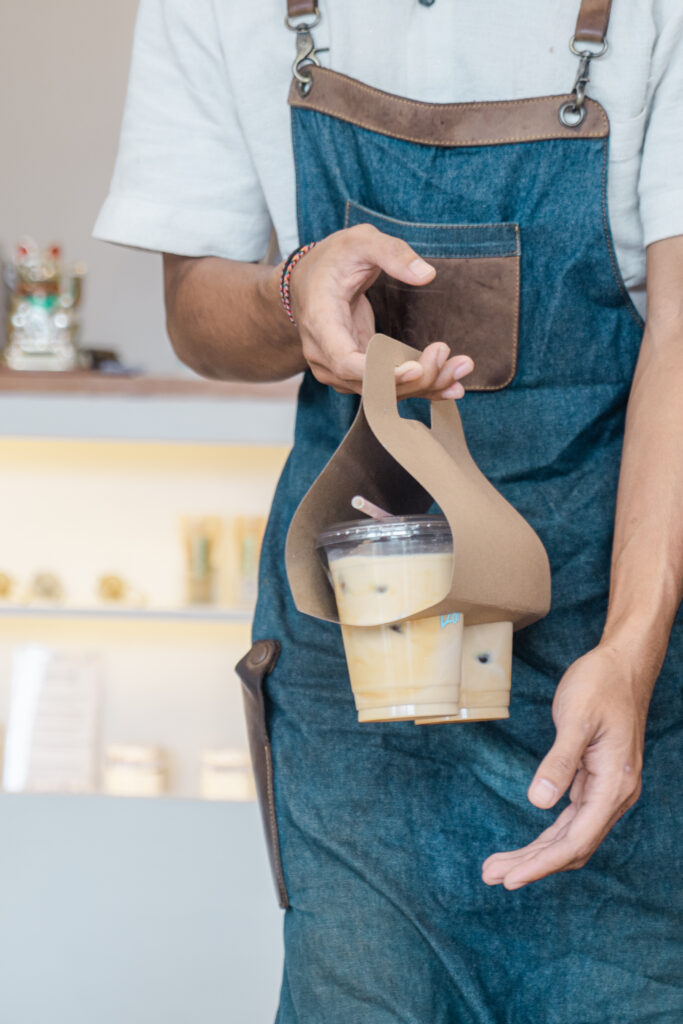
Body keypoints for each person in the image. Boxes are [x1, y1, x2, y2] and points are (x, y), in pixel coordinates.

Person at [95, 1, 683, 1020]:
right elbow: (196, 308)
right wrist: (294, 294)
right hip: (353, 660)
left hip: (615, 652)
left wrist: (629, 651)